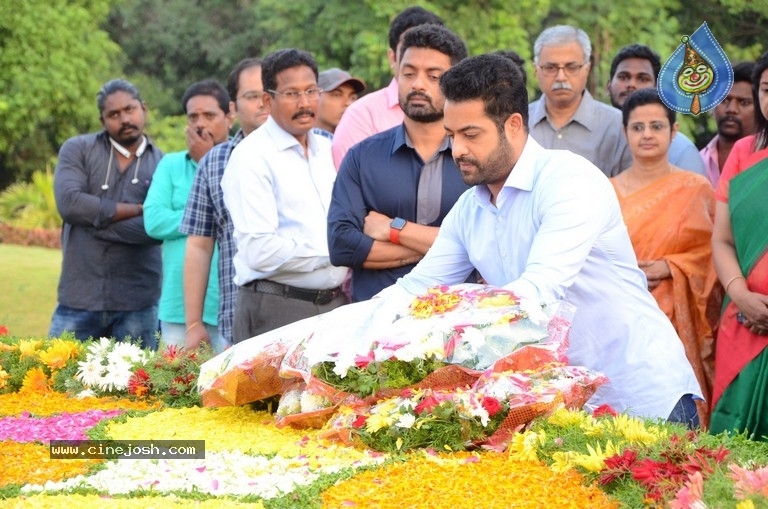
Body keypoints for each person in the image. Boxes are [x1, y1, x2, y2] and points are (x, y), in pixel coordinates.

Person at [382, 54, 702, 424]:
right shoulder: (470, 208)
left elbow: (536, 293)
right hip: (559, 407)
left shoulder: (569, 180)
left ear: (514, 125)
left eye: (471, 134)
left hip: (640, 395)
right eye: (451, 136)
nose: (457, 151)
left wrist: (453, 312)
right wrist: (327, 335)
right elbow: (416, 290)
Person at [328, 24, 470, 302]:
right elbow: (341, 246)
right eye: (409, 73)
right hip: (377, 325)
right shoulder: (362, 157)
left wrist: (393, 229)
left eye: (433, 75)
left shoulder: (475, 159)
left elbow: (488, 242)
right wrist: (451, 247)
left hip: (459, 325)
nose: (418, 84)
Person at [221, 48, 348, 343]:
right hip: (277, 308)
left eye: (311, 91)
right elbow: (260, 250)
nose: (304, 103)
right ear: (268, 100)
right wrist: (335, 251)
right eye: (292, 93)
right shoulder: (251, 157)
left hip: (335, 307)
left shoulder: (328, 148)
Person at [610, 88, 717, 425]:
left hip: (675, 314)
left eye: (656, 126)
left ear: (674, 131)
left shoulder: (696, 188)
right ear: (625, 131)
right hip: (620, 316)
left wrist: (671, 267)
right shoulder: (605, 190)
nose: (647, 135)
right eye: (637, 127)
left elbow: (713, 254)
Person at [49, 79, 163, 349]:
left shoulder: (163, 164)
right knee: (59, 383)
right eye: (114, 114)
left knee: (137, 388)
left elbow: (156, 227)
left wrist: (92, 221)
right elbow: (69, 204)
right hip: (79, 298)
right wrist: (135, 210)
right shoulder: (78, 149)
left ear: (143, 108)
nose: (124, 118)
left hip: (138, 302)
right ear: (102, 120)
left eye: (130, 109)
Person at [179, 58, 270, 350]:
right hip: (238, 317)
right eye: (252, 96)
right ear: (233, 107)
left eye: (269, 93)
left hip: (307, 316)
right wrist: (194, 324)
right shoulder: (215, 162)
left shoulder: (316, 149)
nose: (263, 103)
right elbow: (199, 245)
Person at [143, 80, 233, 353]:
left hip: (227, 301)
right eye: (193, 117)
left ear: (230, 116)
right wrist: (204, 217)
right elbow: (154, 221)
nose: (200, 125)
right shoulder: (171, 164)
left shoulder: (245, 160)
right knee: (175, 389)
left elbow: (240, 216)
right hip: (178, 305)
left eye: (209, 115)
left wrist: (210, 160)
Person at [709, 51, 768, 440]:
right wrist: (740, 294)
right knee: (732, 452)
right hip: (744, 320)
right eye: (767, 89)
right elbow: (723, 239)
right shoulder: (745, 153)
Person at [331, 6, 444, 168]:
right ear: (393, 58)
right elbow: (351, 183)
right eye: (410, 48)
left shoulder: (458, 111)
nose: (421, 55)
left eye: (431, 48)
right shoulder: (362, 115)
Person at [528, 25, 631, 177]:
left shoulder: (616, 126)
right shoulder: (518, 122)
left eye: (571, 67)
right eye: (550, 68)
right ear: (536, 71)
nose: (561, 77)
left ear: (587, 70)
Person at [606, 43, 708, 177]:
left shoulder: (681, 151)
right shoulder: (597, 135)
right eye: (623, 77)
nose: (631, 85)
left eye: (643, 79)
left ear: (657, 88)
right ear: (608, 87)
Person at [700, 62, 757, 187]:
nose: (731, 109)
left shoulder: (763, 163)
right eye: (724, 100)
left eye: (744, 103)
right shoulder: (697, 161)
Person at [312, 68, 365, 140]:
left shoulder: (359, 142)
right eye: (337, 95)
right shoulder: (299, 143)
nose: (348, 103)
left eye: (352, 98)